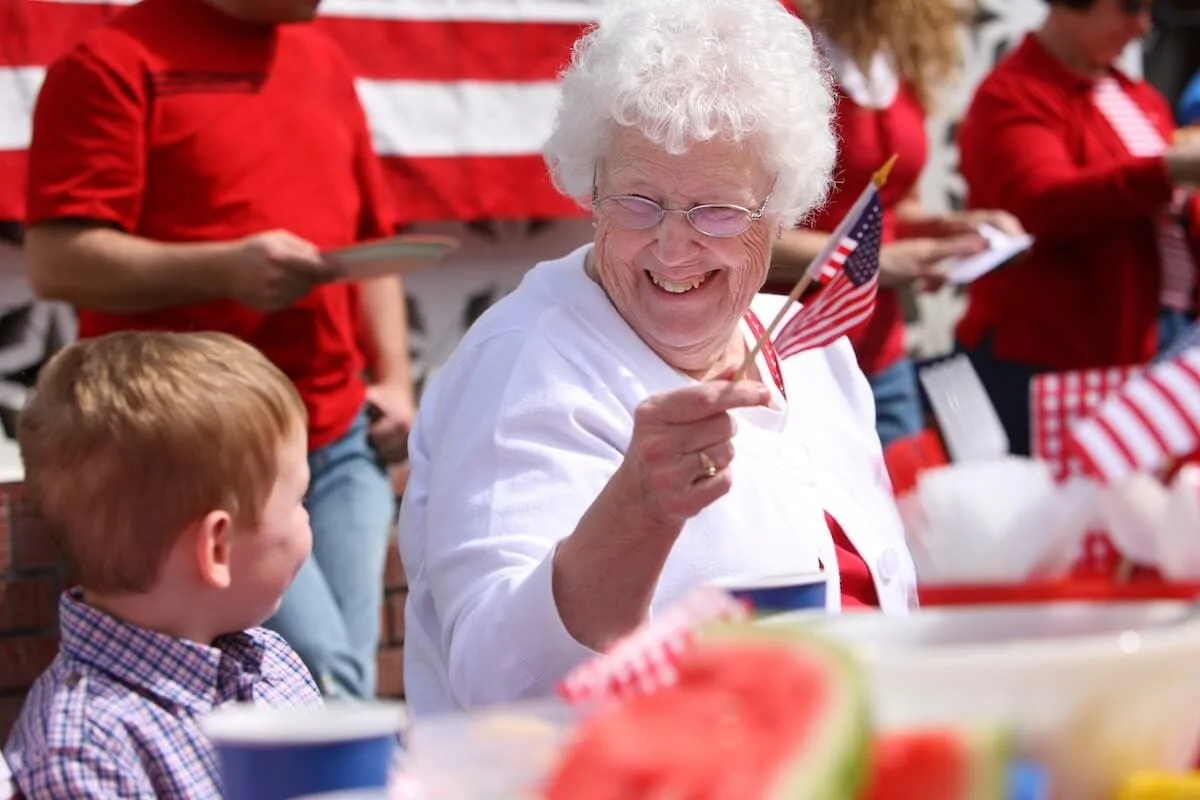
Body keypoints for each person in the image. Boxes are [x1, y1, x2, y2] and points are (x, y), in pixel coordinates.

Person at [396, 0, 917, 716]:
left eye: (718, 211)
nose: (673, 249)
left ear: (781, 210)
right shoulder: (524, 363)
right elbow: (497, 683)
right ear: (592, 189)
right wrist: (639, 508)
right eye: (638, 202)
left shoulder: (810, 344)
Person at [22, 0, 414, 698]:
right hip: (201, 451)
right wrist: (221, 268)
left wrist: (392, 378)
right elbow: (58, 262)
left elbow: (367, 241)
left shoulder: (320, 58)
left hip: (335, 429)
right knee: (325, 678)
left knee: (340, 671)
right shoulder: (112, 65)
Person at [4, 331, 321, 799]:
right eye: (298, 500)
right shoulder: (83, 754)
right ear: (217, 548)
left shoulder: (270, 662)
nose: (307, 517)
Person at [770, 0, 1024, 448]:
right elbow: (737, 227)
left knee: (903, 509)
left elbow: (893, 203)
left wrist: (953, 229)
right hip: (790, 356)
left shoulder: (897, 48)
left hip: (881, 356)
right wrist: (872, 261)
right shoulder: (780, 31)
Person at [955, 0, 1200, 455]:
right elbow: (1041, 205)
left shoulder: (1134, 94)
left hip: (1140, 343)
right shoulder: (1013, 93)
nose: (1142, 25)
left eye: (1151, 10)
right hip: (1050, 356)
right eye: (1129, 8)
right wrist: (1166, 171)